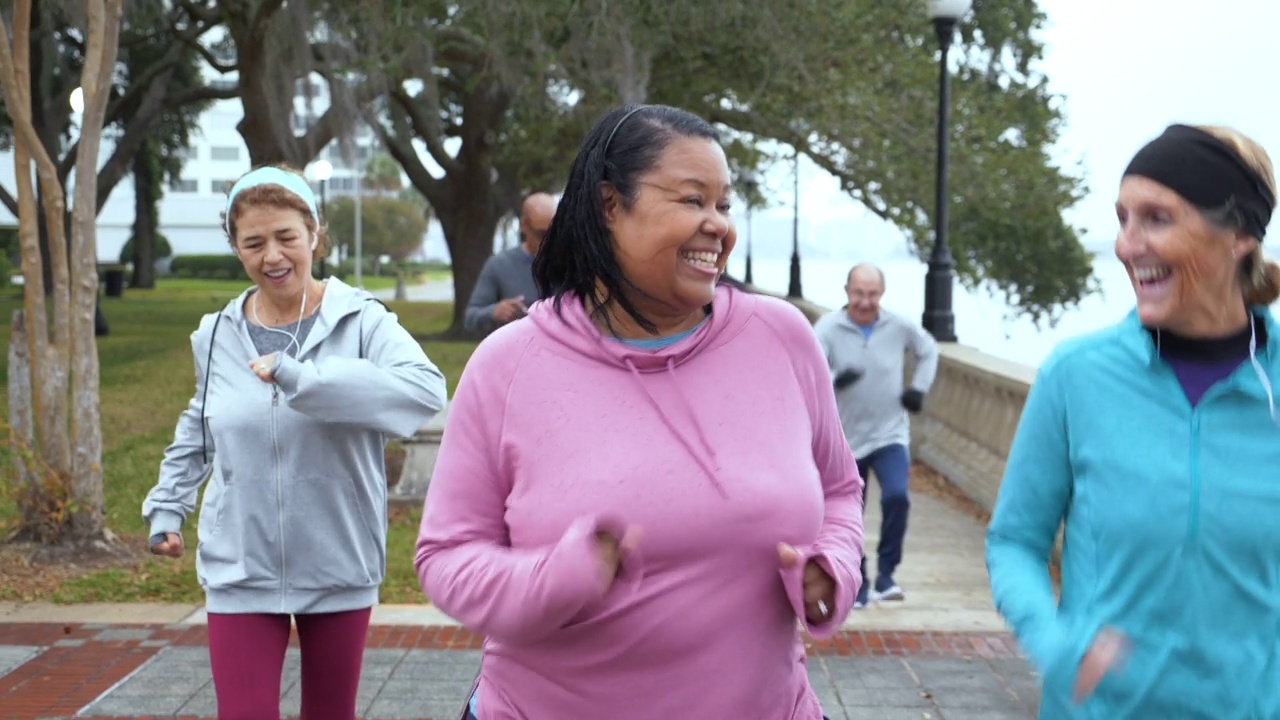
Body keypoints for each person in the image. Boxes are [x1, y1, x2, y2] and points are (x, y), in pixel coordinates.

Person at [415, 104, 864, 720]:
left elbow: (840, 489)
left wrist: (831, 569)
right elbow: (446, 555)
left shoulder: (781, 337)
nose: (718, 226)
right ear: (608, 206)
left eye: (724, 206)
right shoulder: (510, 363)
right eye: (692, 200)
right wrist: (553, 580)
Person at [986, 123, 1279, 718]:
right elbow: (1015, 541)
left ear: (1239, 235)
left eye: (1156, 218)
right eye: (1122, 218)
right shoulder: (1076, 375)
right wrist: (1054, 643)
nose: (1126, 244)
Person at [142, 164, 448, 720]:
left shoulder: (361, 321)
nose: (273, 256)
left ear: (314, 234)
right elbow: (201, 422)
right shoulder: (216, 334)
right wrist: (168, 505)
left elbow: (424, 391)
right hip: (240, 560)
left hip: (337, 555)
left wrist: (305, 381)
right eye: (253, 242)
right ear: (236, 249)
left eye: (286, 237)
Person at [813, 263, 938, 608]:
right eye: (858, 293)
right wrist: (835, 377)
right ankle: (859, 582)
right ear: (846, 291)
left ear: (881, 294)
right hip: (845, 442)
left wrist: (918, 389)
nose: (865, 301)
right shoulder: (827, 328)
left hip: (890, 435)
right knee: (850, 516)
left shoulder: (898, 325)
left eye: (871, 294)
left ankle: (886, 576)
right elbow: (809, 368)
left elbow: (929, 350)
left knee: (897, 497)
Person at [462, 192, 557, 334]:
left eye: (555, 233)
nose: (549, 242)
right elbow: (470, 318)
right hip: (517, 350)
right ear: (524, 225)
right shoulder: (499, 265)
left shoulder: (572, 264)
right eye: (541, 235)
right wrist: (494, 312)